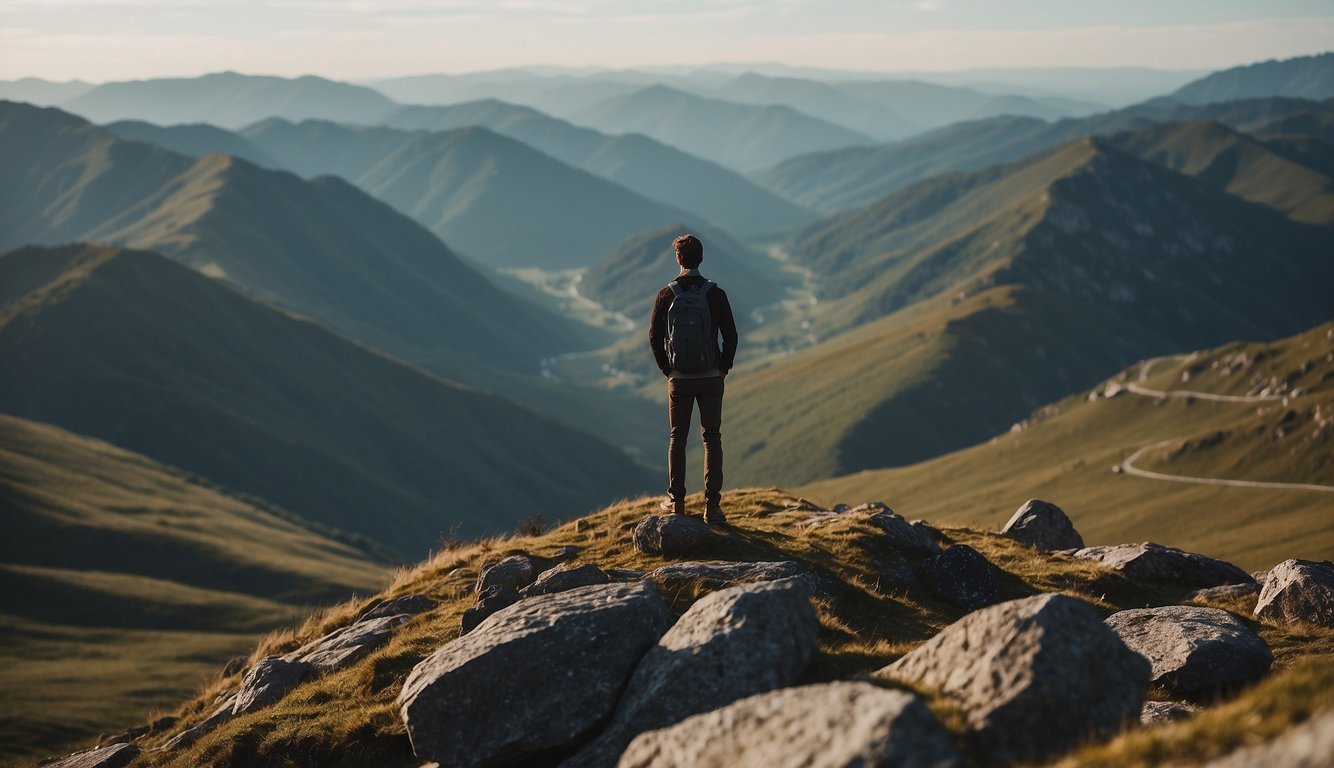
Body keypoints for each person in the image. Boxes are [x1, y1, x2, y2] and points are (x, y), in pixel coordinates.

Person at [648, 233, 738, 524]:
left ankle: (676, 502)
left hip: (680, 378)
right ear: (701, 259)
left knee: (677, 438)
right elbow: (731, 335)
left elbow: (654, 335)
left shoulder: (666, 294)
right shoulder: (716, 294)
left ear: (678, 259)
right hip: (711, 376)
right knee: (711, 438)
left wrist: (667, 368)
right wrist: (723, 367)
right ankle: (712, 507)